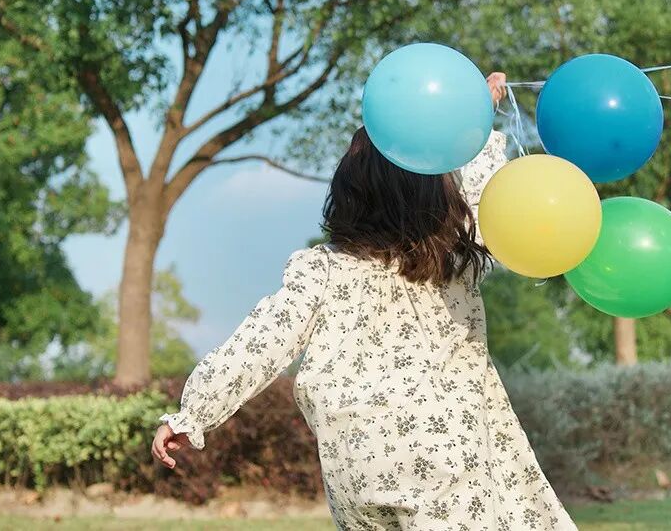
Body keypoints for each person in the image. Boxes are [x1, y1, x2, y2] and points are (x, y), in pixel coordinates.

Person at [152, 72, 576, 530]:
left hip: (359, 459)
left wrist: (193, 412)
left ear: (349, 192)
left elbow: (262, 341)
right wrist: (478, 126)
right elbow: (486, 201)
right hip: (446, 451)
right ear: (440, 196)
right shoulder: (453, 261)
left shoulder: (323, 269)